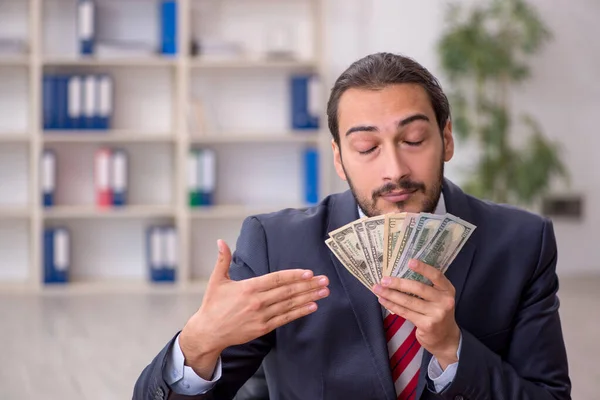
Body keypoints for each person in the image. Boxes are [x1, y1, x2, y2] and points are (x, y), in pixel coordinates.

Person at [133, 52, 571, 400]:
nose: (394, 169)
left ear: (447, 139)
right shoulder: (277, 245)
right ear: (339, 159)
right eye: (366, 147)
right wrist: (197, 344)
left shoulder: (521, 243)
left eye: (414, 141)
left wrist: (453, 349)